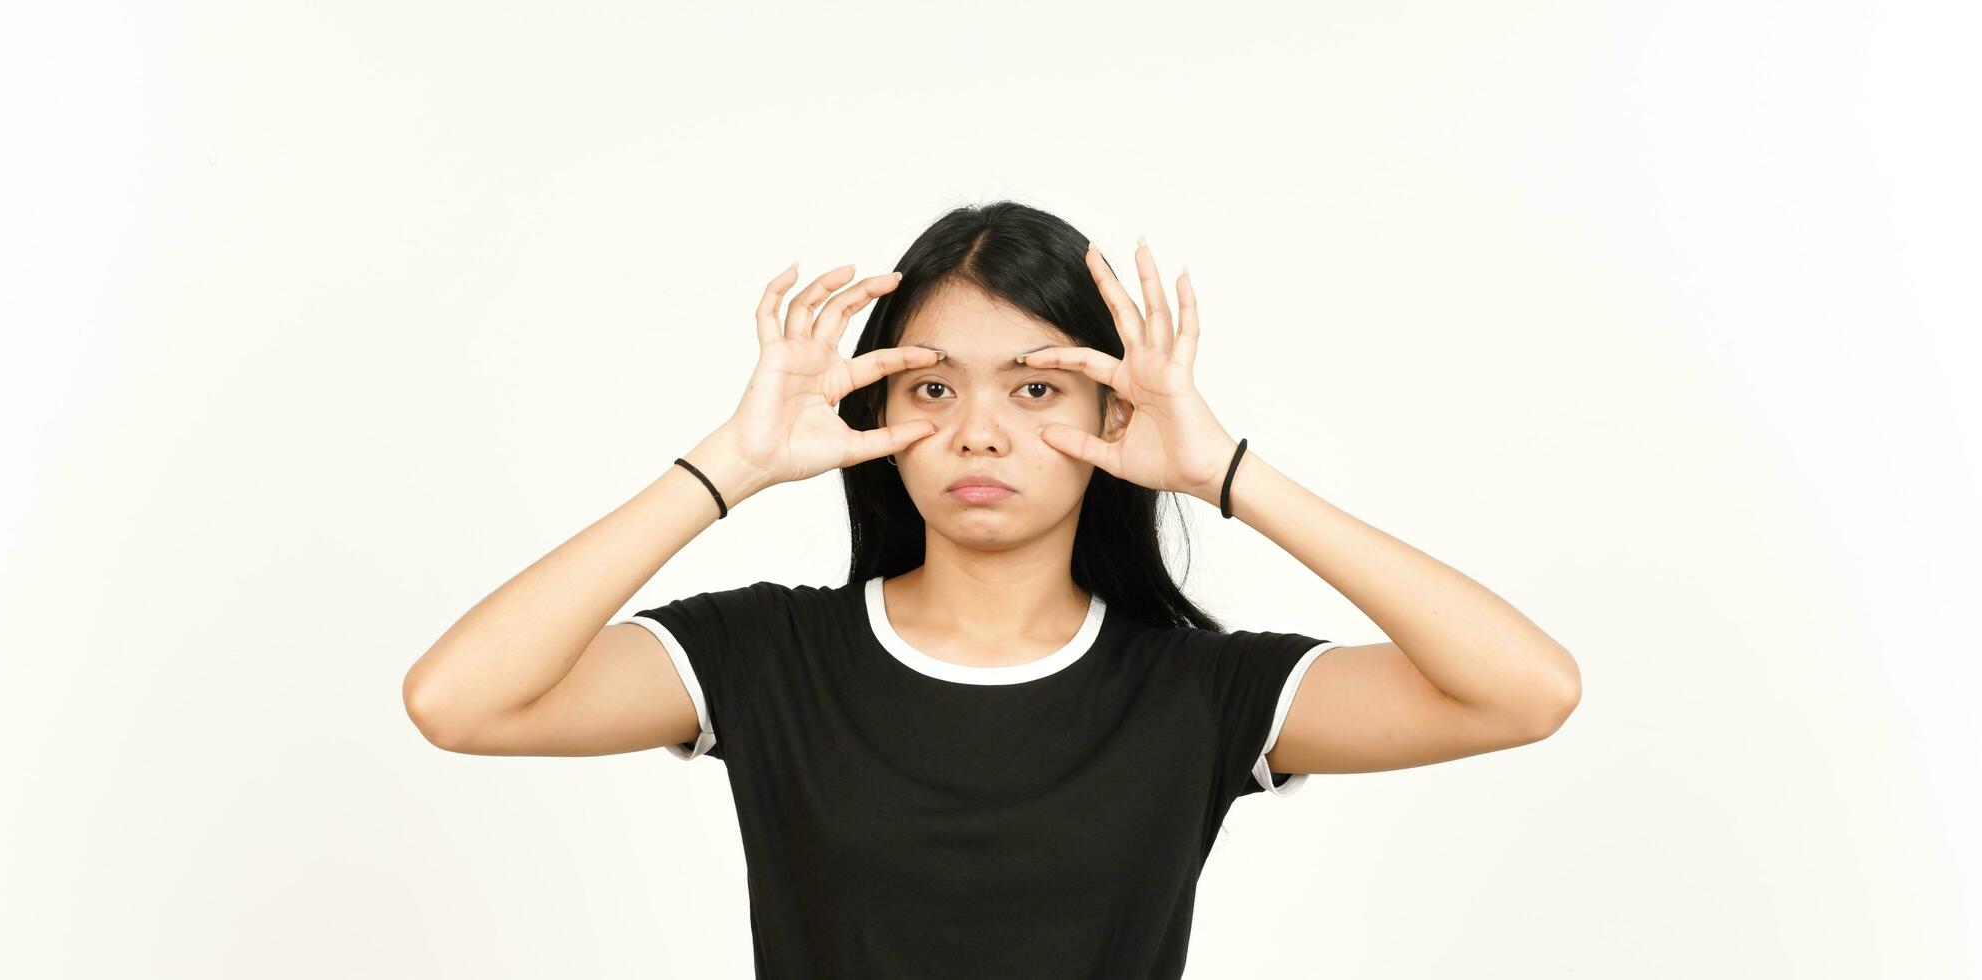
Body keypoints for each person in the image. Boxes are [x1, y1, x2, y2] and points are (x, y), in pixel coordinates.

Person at [402, 201, 1582, 978]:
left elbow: (1526, 690)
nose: (977, 434)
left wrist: (1222, 468)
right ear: (879, 413)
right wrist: (734, 463)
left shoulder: (1194, 691)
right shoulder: (769, 656)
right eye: (932, 390)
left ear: (1110, 416)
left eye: (1033, 390)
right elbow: (460, 700)